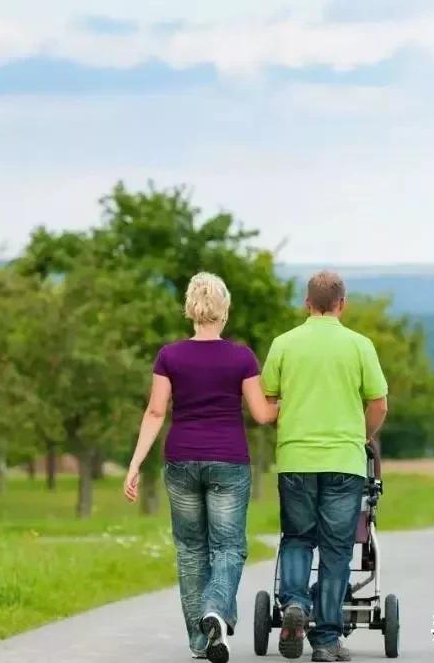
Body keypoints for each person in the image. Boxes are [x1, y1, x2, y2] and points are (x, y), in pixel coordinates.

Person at [124, 272, 278, 663]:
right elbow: (261, 414)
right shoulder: (241, 357)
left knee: (191, 550)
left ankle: (201, 640)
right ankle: (216, 609)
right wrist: (291, 402)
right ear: (224, 310)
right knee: (228, 546)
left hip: (181, 460)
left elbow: (156, 411)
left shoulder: (169, 355)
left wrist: (135, 463)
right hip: (228, 460)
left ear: (190, 309)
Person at [261, 271, 388, 663]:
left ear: (306, 303)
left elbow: (269, 399)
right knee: (336, 551)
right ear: (342, 304)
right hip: (344, 462)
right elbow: (379, 404)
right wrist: (362, 436)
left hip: (297, 459)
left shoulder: (283, 344)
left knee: (298, 537)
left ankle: (295, 603)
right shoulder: (360, 346)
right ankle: (327, 640)